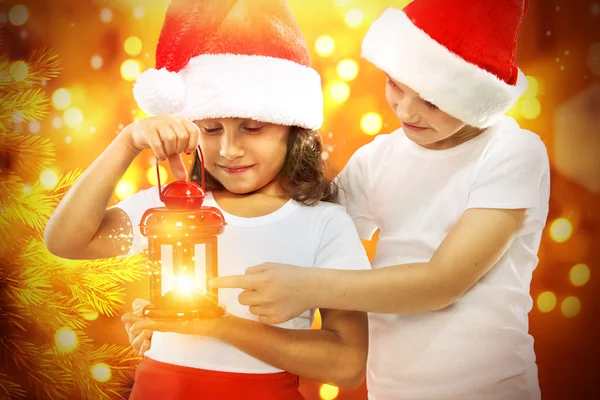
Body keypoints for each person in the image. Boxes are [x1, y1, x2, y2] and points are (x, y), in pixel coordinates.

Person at [211, 0, 550, 399]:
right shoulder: (377, 159)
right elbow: (305, 234)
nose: (406, 110)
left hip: (492, 389)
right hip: (391, 390)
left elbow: (441, 284)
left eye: (433, 102)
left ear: (476, 97)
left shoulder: (512, 152)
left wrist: (307, 287)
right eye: (395, 85)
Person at [43, 1, 370, 399]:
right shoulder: (171, 210)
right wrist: (126, 142)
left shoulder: (324, 224)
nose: (229, 150)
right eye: (211, 129)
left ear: (294, 130)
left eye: (253, 127)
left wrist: (216, 324)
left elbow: (347, 364)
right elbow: (66, 241)